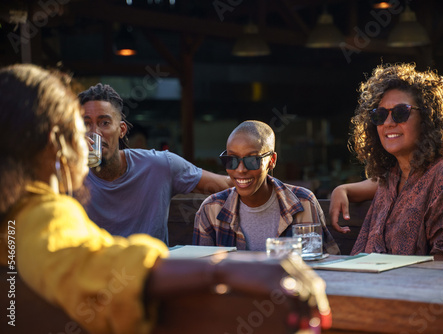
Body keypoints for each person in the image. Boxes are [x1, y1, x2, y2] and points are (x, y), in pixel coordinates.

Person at [0, 64, 331, 333]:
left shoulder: (17, 212)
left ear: (122, 129)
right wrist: (223, 271)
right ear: (55, 142)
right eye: (80, 129)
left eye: (102, 125)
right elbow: (92, 266)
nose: (91, 140)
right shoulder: (37, 213)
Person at [330, 63, 443, 263]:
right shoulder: (395, 176)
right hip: (379, 286)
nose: (388, 123)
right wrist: (343, 190)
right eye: (380, 115)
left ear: (428, 117)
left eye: (401, 112)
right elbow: (387, 185)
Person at [78, 83, 232, 244]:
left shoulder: (159, 165)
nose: (94, 132)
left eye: (104, 123)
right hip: (92, 268)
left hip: (151, 267)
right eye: (86, 124)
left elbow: (227, 185)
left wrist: (254, 166)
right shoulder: (68, 174)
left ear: (121, 130)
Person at [193, 120, 340, 254]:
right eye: (231, 160)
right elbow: (200, 272)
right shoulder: (211, 209)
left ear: (272, 161)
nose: (240, 169)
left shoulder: (304, 203)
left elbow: (326, 264)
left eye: (252, 160)